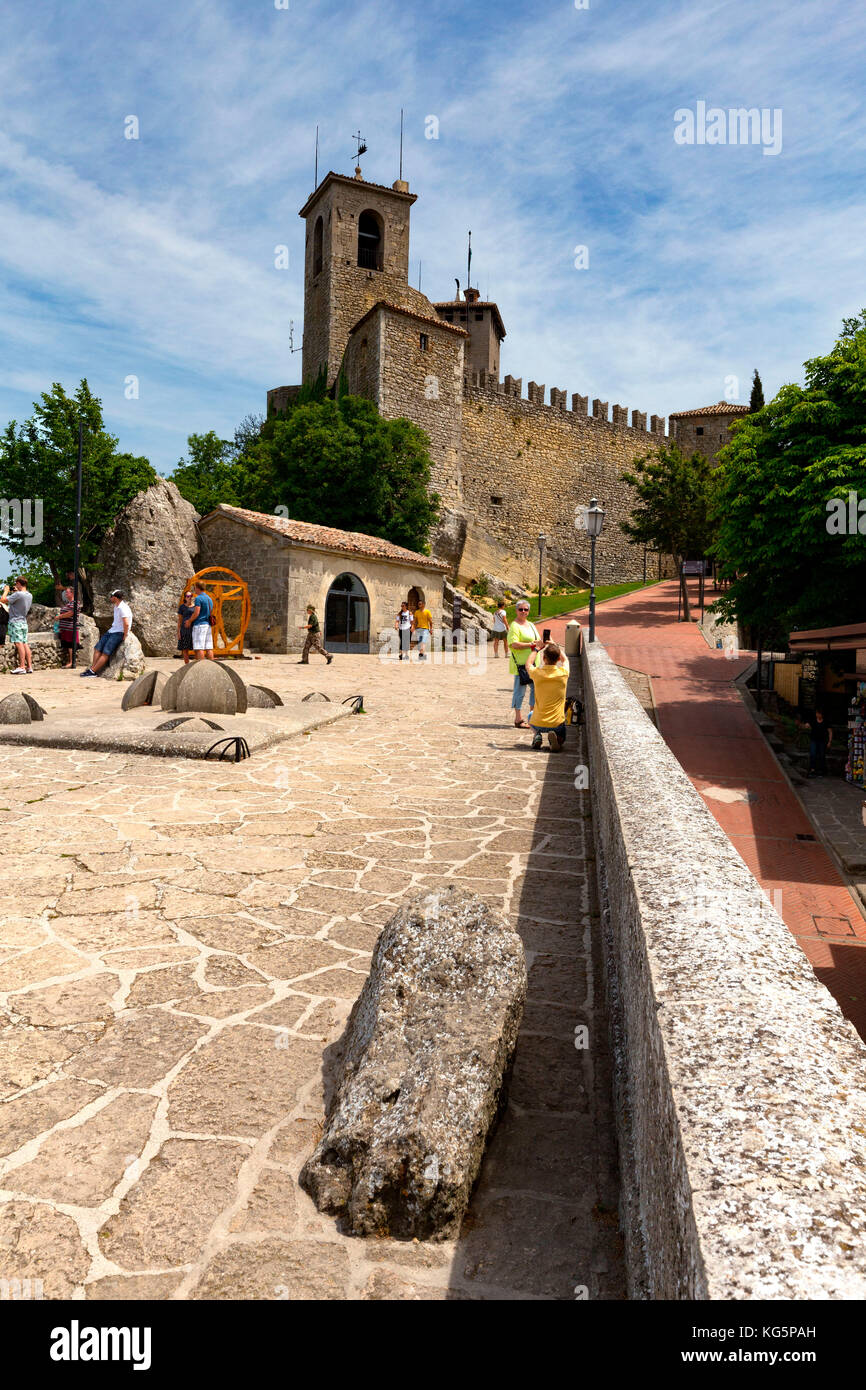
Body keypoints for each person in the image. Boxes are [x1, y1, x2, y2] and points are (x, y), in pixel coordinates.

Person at [527, 641, 570, 751]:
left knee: (530, 715)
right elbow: (566, 660)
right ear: (558, 659)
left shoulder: (537, 673)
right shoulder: (563, 673)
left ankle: (537, 735)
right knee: (562, 729)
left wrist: (536, 649)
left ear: (544, 658)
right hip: (556, 723)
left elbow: (528, 664)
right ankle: (556, 741)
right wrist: (555, 645)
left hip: (538, 722)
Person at [80, 589, 132, 676]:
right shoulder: (116, 606)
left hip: (119, 632)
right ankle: (92, 669)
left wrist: (125, 634)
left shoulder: (123, 608)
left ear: (115, 597)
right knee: (97, 648)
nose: (110, 598)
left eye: (111, 596)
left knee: (106, 652)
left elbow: (126, 623)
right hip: (112, 630)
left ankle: (92, 672)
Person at [507, 600, 541, 727]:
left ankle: (532, 716)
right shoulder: (514, 626)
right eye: (520, 609)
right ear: (516, 610)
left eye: (526, 609)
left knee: (536, 690)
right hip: (521, 665)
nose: (523, 612)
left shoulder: (531, 624)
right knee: (519, 692)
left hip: (533, 665)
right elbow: (513, 644)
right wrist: (531, 645)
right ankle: (518, 719)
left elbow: (537, 639)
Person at [1, 578, 33, 674]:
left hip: (15, 622)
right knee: (24, 643)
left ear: (18, 583)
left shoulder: (18, 594)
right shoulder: (29, 595)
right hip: (23, 621)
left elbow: (2, 600)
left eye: (16, 584)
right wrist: (16, 591)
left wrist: (6, 591)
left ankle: (22, 666)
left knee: (18, 643)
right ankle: (29, 667)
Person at [185, 581, 216, 661]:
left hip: (199, 625)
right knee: (209, 648)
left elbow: (196, 612)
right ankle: (212, 668)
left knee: (199, 648)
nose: (194, 589)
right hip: (207, 625)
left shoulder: (198, 598)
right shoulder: (209, 598)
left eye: (195, 588)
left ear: (197, 588)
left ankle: (200, 670)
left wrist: (189, 621)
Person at [800, 707, 833, 777]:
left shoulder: (826, 722)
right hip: (814, 740)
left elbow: (830, 732)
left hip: (823, 741)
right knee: (813, 754)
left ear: (821, 714)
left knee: (822, 755)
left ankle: (821, 770)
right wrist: (802, 725)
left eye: (819, 714)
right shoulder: (813, 720)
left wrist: (829, 741)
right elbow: (806, 726)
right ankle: (812, 769)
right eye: (816, 714)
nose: (817, 715)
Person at [57, 586, 80, 669]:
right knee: (68, 645)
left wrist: (60, 616)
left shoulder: (75, 603)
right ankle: (70, 661)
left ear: (72, 593)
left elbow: (71, 613)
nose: (66, 594)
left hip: (70, 628)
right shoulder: (69, 603)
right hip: (66, 628)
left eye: (67, 592)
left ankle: (71, 662)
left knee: (71, 645)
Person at [177, 589, 196, 663]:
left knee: (196, 648)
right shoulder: (182, 607)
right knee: (185, 649)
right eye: (188, 596)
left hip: (193, 629)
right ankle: (187, 666)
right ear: (185, 597)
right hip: (184, 630)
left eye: (191, 596)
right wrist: (178, 632)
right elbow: (180, 620)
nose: (190, 597)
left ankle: (195, 666)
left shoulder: (195, 607)